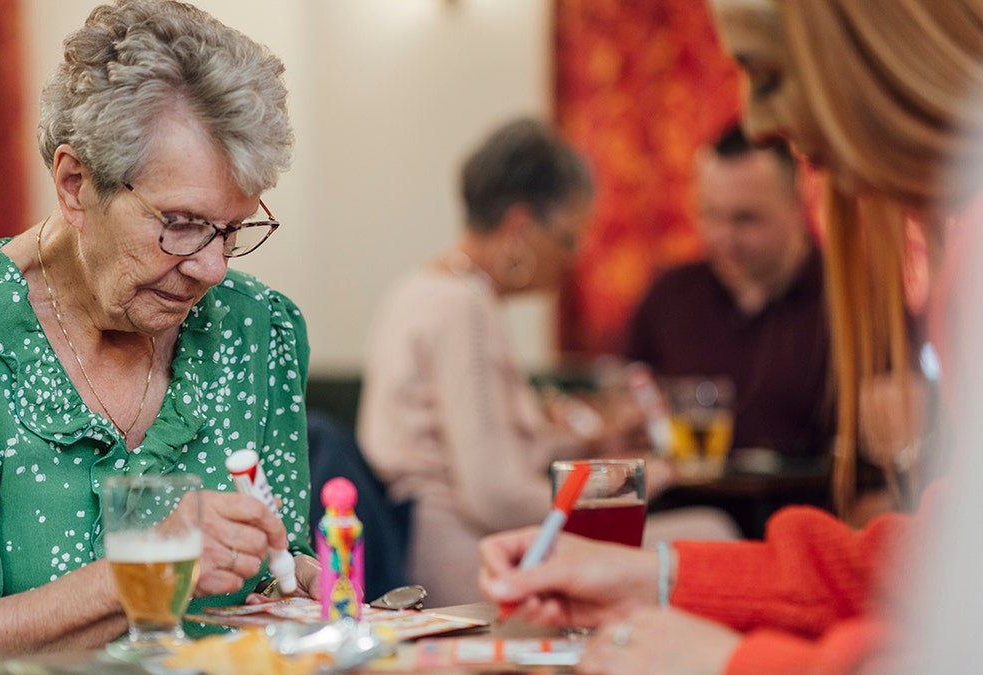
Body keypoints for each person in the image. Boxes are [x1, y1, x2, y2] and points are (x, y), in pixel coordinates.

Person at [478, 0, 983, 673]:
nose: (761, 121)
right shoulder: (667, 295)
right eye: (711, 217)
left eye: (770, 76)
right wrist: (650, 573)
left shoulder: (898, 280)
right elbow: (931, 563)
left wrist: (733, 660)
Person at [0, 1, 317, 671]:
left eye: (233, 229)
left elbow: (283, 572)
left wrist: (305, 581)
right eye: (181, 222)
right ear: (75, 184)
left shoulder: (259, 331)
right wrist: (147, 570)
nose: (213, 267)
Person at [357, 118, 738, 607]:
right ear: (520, 227)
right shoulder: (463, 306)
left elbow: (481, 451)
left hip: (426, 548)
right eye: (568, 239)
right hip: (462, 558)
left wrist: (590, 440)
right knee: (716, 531)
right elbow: (494, 493)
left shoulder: (418, 289)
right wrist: (631, 480)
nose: (573, 258)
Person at [624, 125, 833, 462]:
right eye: (711, 215)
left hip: (805, 507)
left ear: (797, 205)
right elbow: (630, 396)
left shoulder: (849, 305)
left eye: (745, 219)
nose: (724, 238)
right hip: (687, 509)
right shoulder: (668, 299)